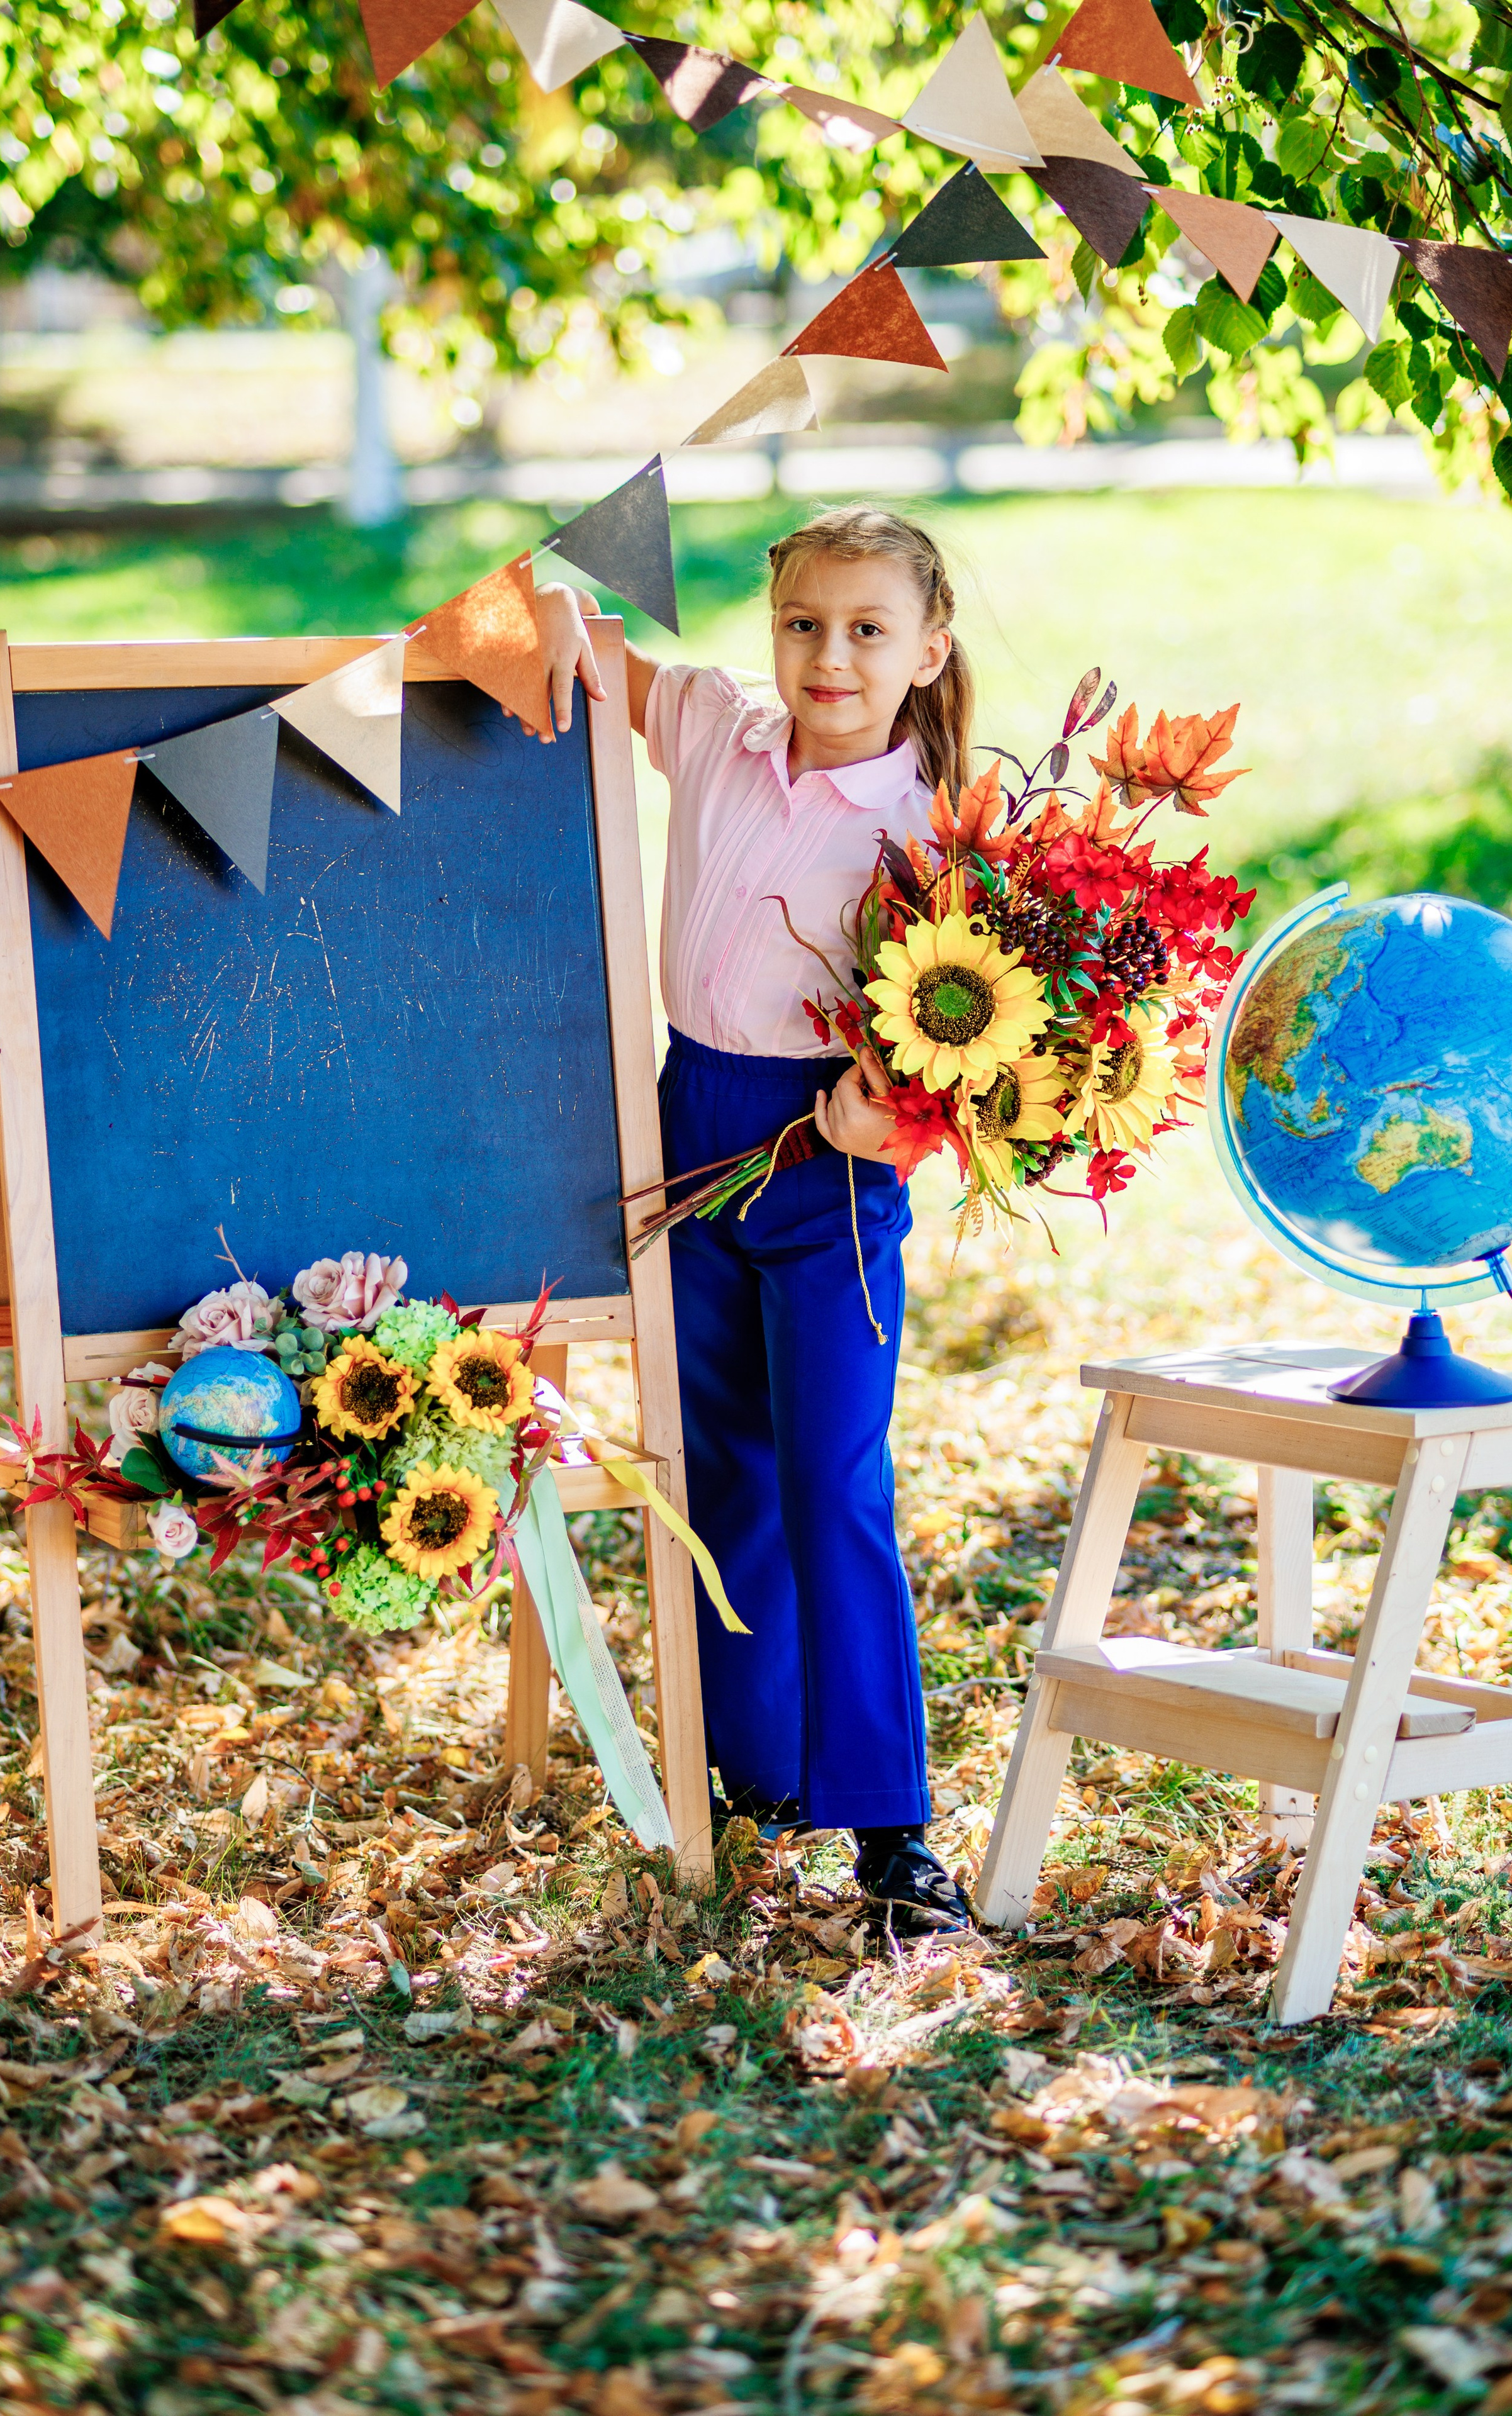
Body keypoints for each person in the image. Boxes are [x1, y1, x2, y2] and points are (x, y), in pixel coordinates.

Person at [525, 506, 975, 1941]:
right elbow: (569, 628)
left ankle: (890, 1829)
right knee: (717, 1475)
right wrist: (541, 592)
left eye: (865, 630)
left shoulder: (938, 829)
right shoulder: (719, 728)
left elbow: (994, 1063)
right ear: (767, 628)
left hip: (830, 1162)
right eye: (801, 623)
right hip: (688, 1122)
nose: (827, 655)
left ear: (927, 648)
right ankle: (758, 1771)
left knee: (829, 1482)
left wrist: (886, 1120)